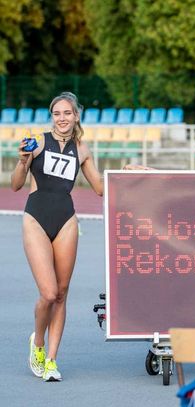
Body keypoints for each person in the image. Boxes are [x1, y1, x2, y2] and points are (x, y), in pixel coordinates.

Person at [11, 92, 149, 382]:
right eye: (57, 113)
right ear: (52, 117)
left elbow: (100, 188)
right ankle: (37, 344)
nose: (62, 118)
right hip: (36, 217)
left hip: (66, 221)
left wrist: (125, 173)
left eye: (67, 113)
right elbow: (15, 185)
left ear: (76, 116)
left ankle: (51, 360)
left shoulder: (82, 149)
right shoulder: (37, 142)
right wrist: (23, 161)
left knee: (61, 294)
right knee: (47, 293)